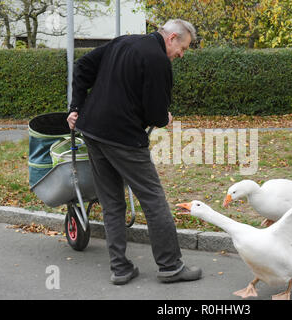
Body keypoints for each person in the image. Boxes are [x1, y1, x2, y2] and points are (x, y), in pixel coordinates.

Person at [67, 19, 202, 285]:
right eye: (183, 48)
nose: (181, 55)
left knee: (112, 203)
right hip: (124, 138)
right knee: (153, 200)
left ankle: (120, 269)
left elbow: (82, 66)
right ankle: (171, 267)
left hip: (92, 131)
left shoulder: (123, 41)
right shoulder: (158, 60)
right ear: (172, 37)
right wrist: (165, 117)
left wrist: (76, 107)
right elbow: (155, 113)